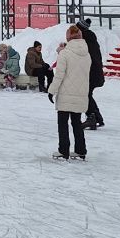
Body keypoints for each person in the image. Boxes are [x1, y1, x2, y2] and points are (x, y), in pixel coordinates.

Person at [48, 25, 92, 160]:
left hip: (66, 94)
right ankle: (80, 150)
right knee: (77, 123)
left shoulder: (65, 53)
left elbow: (59, 75)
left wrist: (51, 91)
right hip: (81, 93)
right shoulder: (86, 53)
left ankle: (63, 150)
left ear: (68, 37)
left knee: (62, 123)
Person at [78, 19, 106, 129]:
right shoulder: (90, 39)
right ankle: (96, 117)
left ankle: (92, 118)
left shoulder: (84, 41)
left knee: (85, 95)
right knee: (87, 94)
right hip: (95, 73)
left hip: (90, 73)